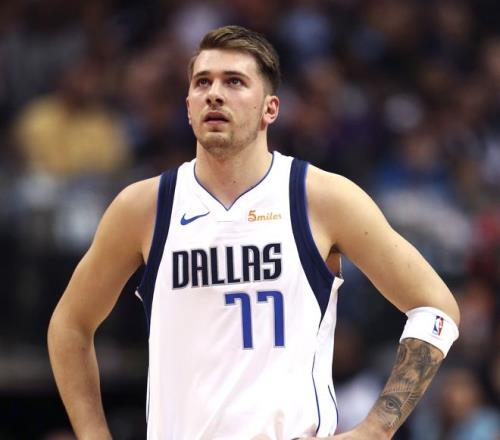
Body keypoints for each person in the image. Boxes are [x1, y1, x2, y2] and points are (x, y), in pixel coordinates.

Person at [47, 25, 460, 440]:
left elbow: (436, 307)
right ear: (188, 106)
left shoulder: (320, 197)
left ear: (270, 109)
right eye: (202, 82)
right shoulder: (144, 207)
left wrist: (377, 428)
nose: (214, 93)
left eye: (234, 82)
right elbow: (70, 325)